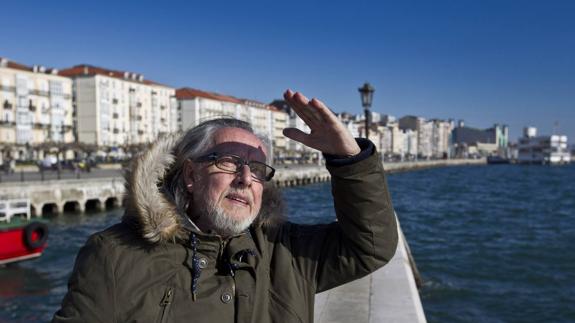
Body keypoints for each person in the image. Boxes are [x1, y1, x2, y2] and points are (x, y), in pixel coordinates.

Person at [52, 90, 398, 323]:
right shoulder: (115, 255)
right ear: (190, 174)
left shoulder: (287, 251)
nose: (246, 178)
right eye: (229, 162)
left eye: (258, 169)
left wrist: (350, 160)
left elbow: (370, 246)